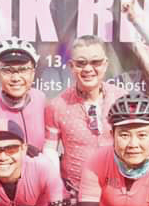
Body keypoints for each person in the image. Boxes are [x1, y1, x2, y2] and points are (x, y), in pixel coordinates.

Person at [43, 35, 127, 191]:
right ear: (71, 66)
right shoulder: (57, 105)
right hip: (75, 191)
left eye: (95, 62)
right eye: (81, 63)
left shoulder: (122, 99)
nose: (88, 69)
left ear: (105, 64)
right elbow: (50, 152)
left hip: (118, 190)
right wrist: (57, 191)